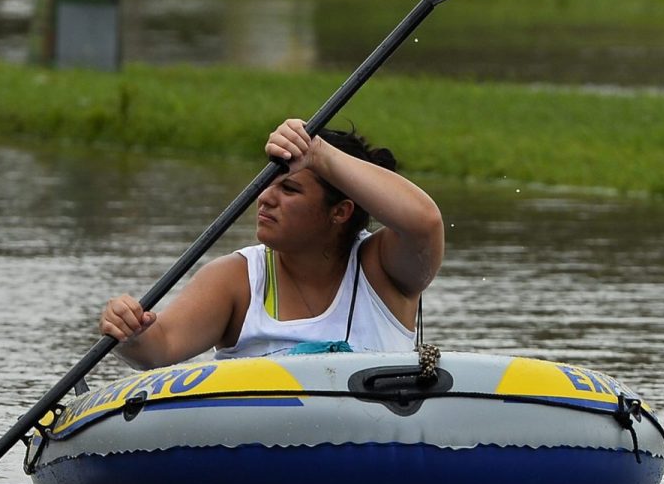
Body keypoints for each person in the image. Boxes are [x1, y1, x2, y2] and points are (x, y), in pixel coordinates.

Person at [99, 118, 442, 369]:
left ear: (340, 212)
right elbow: (160, 349)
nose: (264, 198)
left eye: (289, 189)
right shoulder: (235, 279)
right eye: (268, 183)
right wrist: (130, 334)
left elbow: (424, 223)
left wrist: (319, 153)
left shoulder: (382, 266)